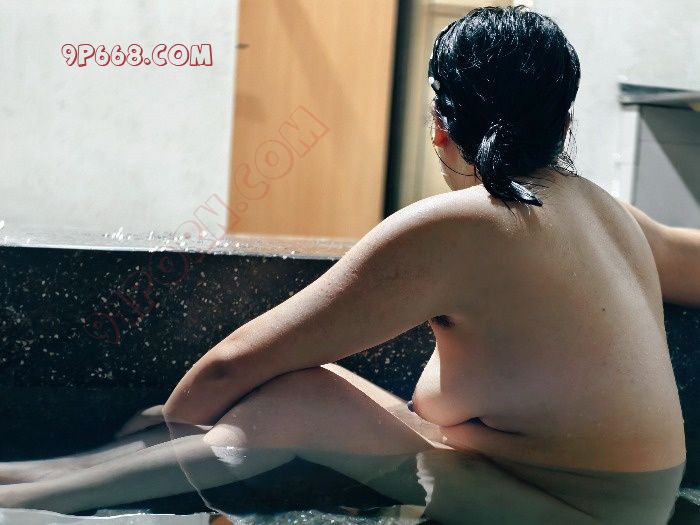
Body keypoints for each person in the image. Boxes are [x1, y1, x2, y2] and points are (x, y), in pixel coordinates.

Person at [1, 5, 699, 522]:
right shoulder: (612, 213)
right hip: (632, 502)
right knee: (309, 391)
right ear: (564, 123)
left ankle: (41, 499)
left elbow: (231, 365)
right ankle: (49, 480)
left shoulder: (460, 227)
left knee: (293, 400)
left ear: (439, 126)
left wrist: (171, 425)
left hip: (565, 511)